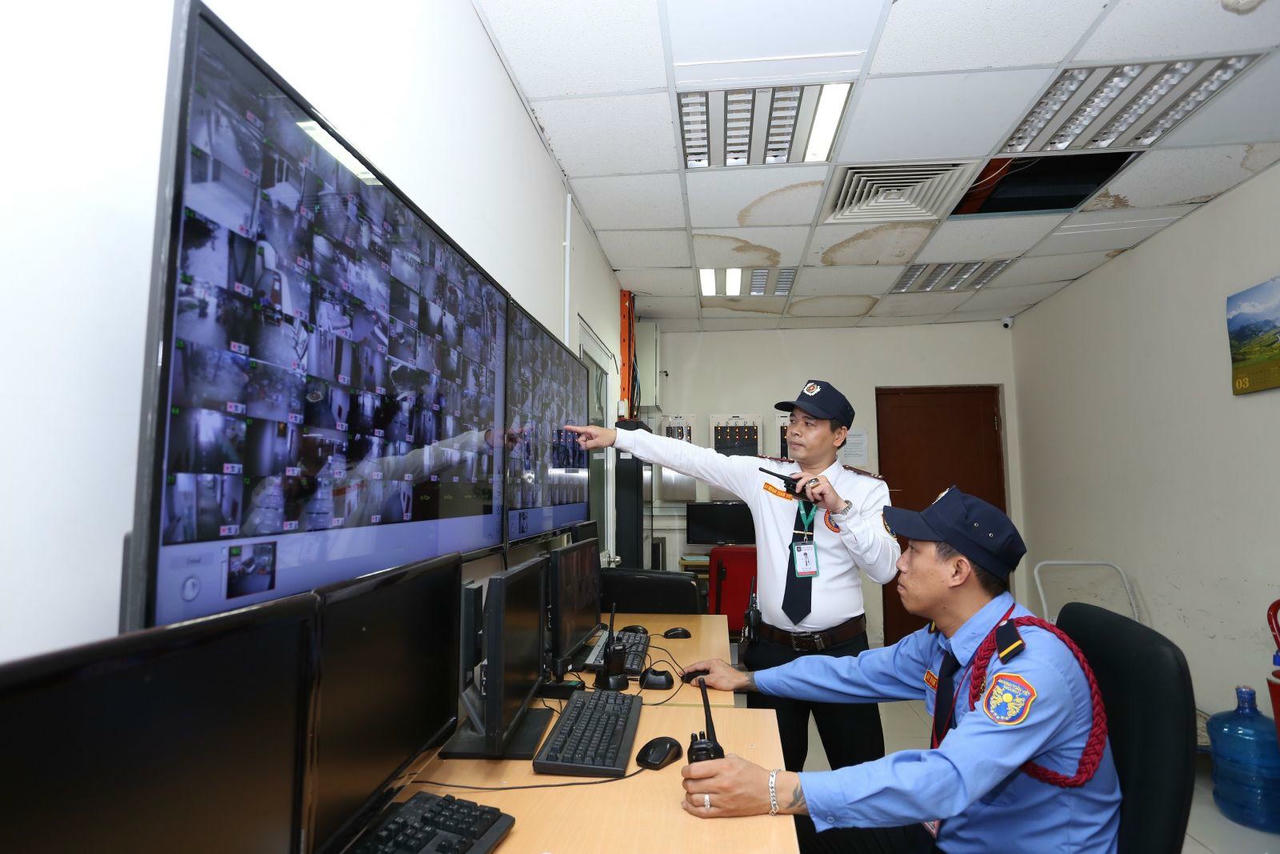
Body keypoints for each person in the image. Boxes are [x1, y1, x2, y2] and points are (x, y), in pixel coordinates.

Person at [675, 488, 1122, 854]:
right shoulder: (945, 640)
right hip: (951, 830)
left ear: (958, 570)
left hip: (1005, 845)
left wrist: (775, 788)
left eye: (913, 551)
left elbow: (945, 778)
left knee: (779, 814)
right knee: (774, 835)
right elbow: (853, 673)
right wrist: (748, 678)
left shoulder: (1029, 670)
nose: (900, 563)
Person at [565, 378, 900, 775]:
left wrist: (841, 510)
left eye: (809, 423)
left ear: (839, 435)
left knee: (862, 772)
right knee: (770, 772)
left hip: (840, 653)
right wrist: (618, 437)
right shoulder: (764, 475)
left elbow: (884, 569)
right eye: (793, 420)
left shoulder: (866, 490)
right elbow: (693, 458)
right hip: (773, 652)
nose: (794, 430)